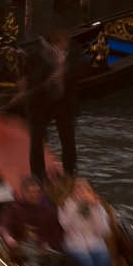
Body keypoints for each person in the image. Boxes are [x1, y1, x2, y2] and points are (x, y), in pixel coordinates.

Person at [23, 28, 80, 187]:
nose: (64, 41)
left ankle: (69, 173)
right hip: (39, 102)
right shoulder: (36, 55)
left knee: (68, 138)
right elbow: (31, 77)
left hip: (65, 102)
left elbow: (80, 71)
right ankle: (38, 176)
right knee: (37, 139)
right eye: (60, 38)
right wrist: (49, 77)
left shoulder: (74, 53)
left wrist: (64, 72)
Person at [58, 180, 115, 266]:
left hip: (95, 242)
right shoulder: (65, 205)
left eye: (85, 188)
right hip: (75, 243)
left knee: (103, 257)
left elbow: (103, 231)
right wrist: (75, 205)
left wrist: (95, 208)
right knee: (86, 261)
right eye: (78, 188)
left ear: (90, 191)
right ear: (72, 191)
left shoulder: (97, 206)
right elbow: (66, 226)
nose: (82, 191)